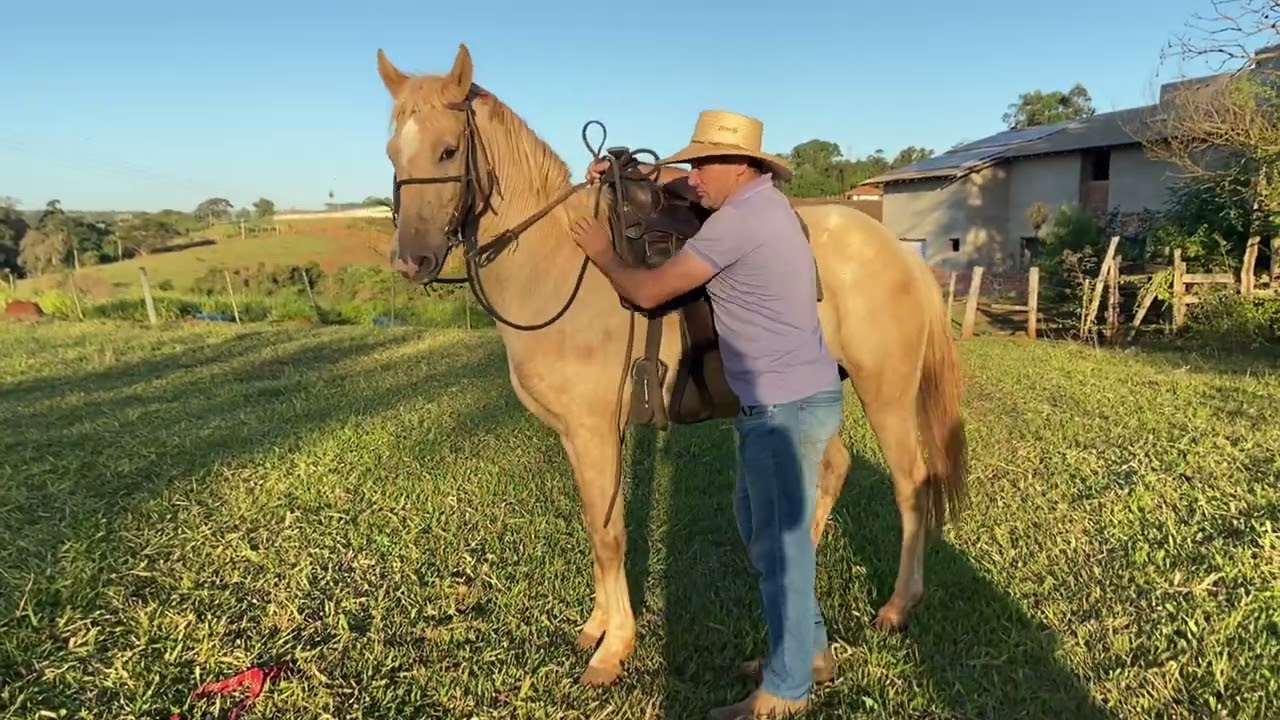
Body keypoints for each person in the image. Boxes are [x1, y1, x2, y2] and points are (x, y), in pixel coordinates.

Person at [568, 109, 843, 719]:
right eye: (690, 163)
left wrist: (601, 253)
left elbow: (646, 293)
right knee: (761, 530)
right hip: (784, 401)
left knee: (782, 546)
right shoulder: (761, 206)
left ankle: (787, 689)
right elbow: (675, 184)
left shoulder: (737, 225)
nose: (693, 176)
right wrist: (631, 172)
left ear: (741, 166)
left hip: (784, 408)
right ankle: (809, 650)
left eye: (703, 164)